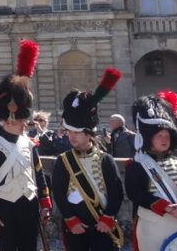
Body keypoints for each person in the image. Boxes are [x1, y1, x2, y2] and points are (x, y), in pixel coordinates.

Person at [0, 40, 52, 251]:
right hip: (4, 207)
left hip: (29, 205)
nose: (24, 125)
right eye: (21, 121)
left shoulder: (30, 144)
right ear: (10, 118)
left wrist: (45, 203)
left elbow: (38, 175)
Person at [53, 68, 125, 251]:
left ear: (88, 134)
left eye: (76, 133)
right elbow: (60, 194)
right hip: (76, 226)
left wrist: (108, 218)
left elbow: (116, 192)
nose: (72, 137)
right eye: (69, 132)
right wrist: (71, 219)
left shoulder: (105, 159)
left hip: (102, 223)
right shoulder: (63, 160)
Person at [126, 90, 177, 251]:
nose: (164, 139)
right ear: (149, 138)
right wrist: (165, 206)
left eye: (167, 135)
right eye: (159, 135)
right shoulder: (137, 165)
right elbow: (135, 193)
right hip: (151, 226)